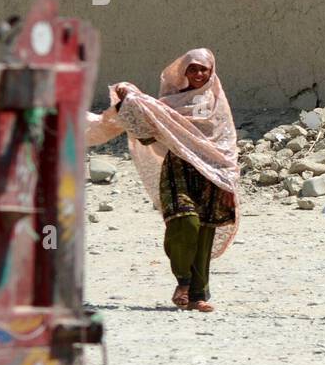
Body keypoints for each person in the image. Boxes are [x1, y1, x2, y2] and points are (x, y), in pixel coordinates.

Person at [86, 48, 239, 312]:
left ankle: (197, 295)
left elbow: (226, 146)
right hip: (178, 171)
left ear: (211, 71)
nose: (199, 74)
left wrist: (229, 183)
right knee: (185, 221)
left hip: (212, 175)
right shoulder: (169, 104)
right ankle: (183, 280)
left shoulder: (218, 106)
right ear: (183, 72)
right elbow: (146, 133)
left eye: (204, 69)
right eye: (193, 69)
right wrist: (128, 103)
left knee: (205, 231)